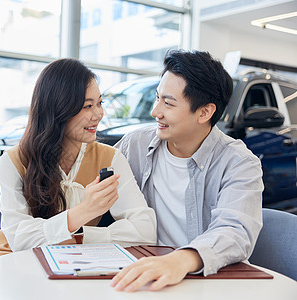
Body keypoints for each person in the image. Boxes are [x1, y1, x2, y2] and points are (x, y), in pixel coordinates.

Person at [0, 58, 157, 267]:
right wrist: (84, 211)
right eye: (88, 106)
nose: (98, 114)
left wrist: (80, 236)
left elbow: (145, 230)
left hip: (70, 265)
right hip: (10, 263)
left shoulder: (110, 159)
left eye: (100, 103)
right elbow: (20, 240)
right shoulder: (14, 161)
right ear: (57, 110)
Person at [110, 49, 264, 292]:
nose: (155, 111)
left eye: (168, 103)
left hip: (207, 281)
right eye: (157, 98)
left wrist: (179, 261)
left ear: (204, 112)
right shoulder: (135, 144)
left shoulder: (239, 162)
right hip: (149, 275)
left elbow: (235, 231)